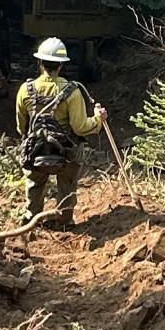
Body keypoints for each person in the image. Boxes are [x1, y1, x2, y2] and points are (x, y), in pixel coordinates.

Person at [15, 37, 108, 226]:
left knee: (35, 182)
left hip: (36, 152)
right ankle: (64, 220)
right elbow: (80, 127)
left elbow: (21, 127)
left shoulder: (25, 90)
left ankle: (31, 220)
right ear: (61, 65)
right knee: (68, 181)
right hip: (66, 154)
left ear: (40, 62)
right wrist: (99, 118)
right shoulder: (72, 92)